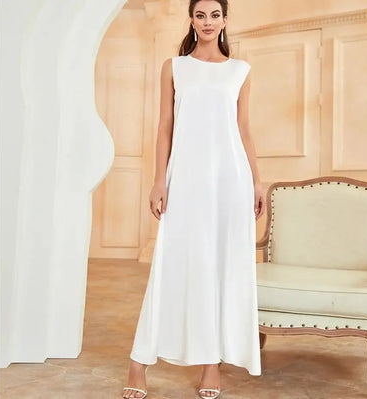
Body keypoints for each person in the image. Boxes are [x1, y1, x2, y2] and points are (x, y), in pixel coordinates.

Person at [122, 0, 265, 398]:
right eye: (200, 15)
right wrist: (158, 181)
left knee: (220, 267)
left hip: (230, 181)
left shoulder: (240, 71)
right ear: (191, 19)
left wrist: (256, 181)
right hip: (184, 180)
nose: (207, 22)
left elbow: (244, 130)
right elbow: (164, 126)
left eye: (214, 15)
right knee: (173, 263)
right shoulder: (175, 67)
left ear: (224, 20)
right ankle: (139, 362)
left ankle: (210, 367)